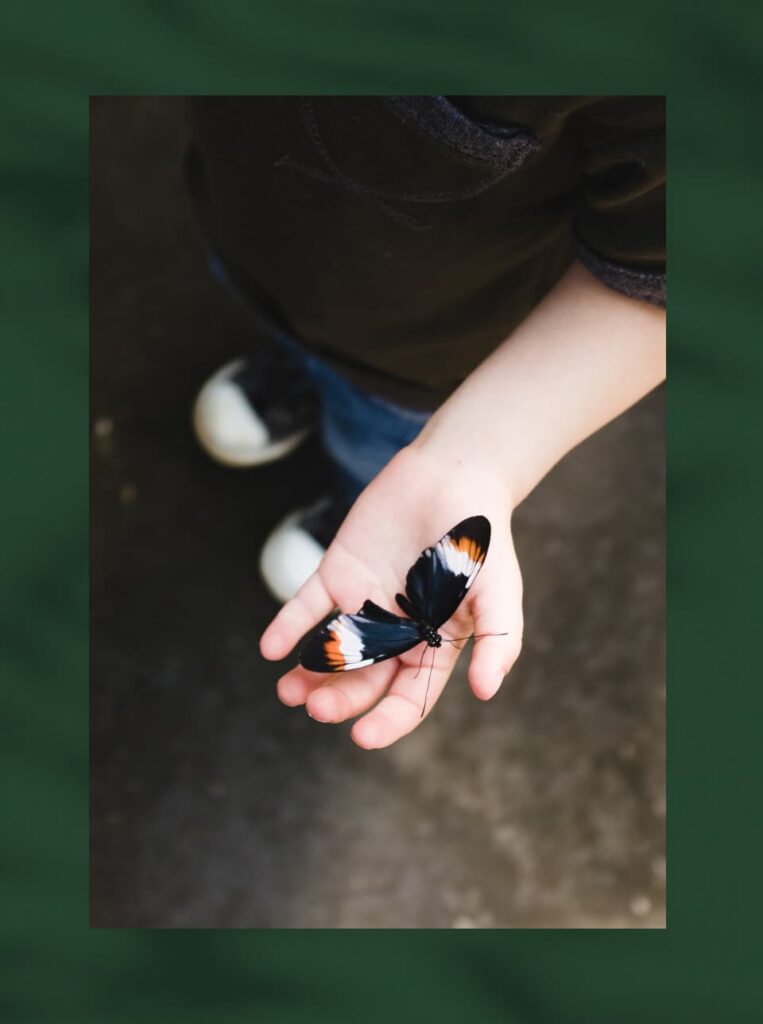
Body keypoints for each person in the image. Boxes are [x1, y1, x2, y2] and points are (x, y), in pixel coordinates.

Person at [183, 96, 666, 749]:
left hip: (426, 362)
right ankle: (294, 370)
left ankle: (351, 510)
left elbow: (662, 276)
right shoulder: (423, 618)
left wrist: (474, 458)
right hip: (258, 244)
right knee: (284, 321)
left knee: (376, 443)